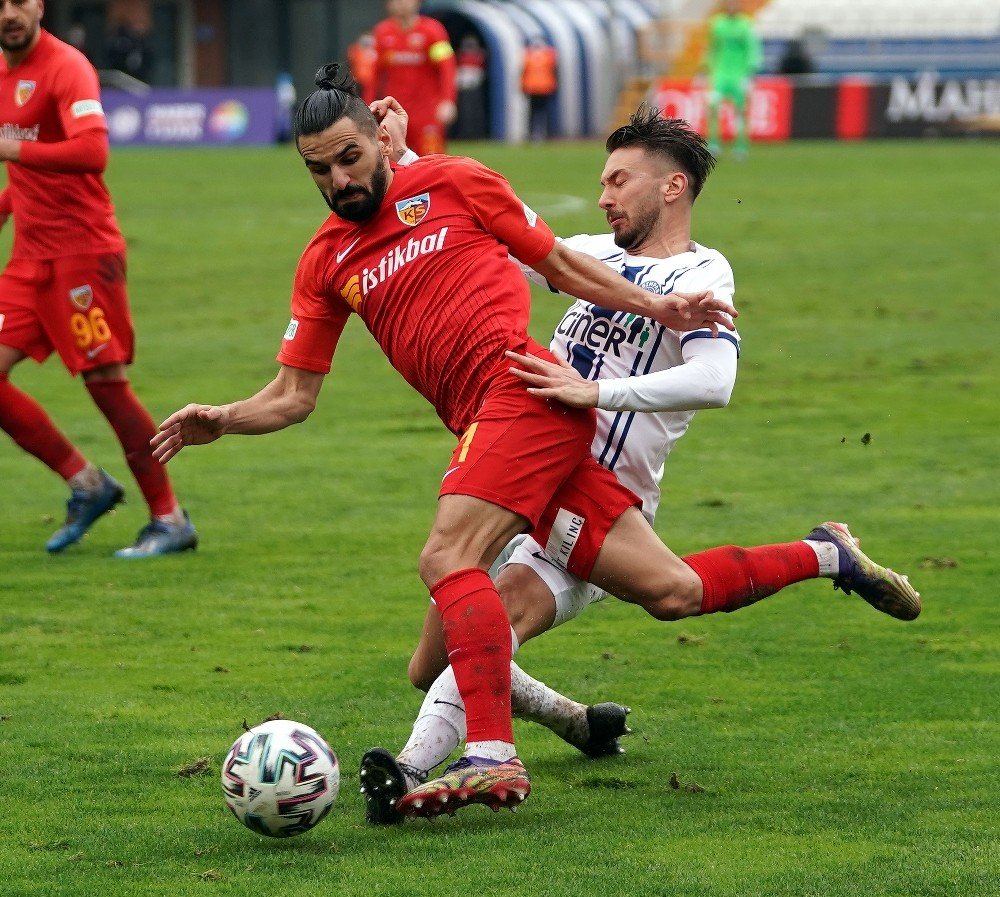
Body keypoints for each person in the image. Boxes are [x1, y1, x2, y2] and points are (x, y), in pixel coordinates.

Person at [150, 67, 914, 824]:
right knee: (615, 607)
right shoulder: (326, 259)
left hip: (521, 396)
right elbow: (293, 394)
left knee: (446, 558)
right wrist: (226, 415)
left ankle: (488, 754)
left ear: (376, 142)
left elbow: (558, 263)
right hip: (516, 430)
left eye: (350, 158)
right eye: (319, 169)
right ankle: (820, 558)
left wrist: (657, 310)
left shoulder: (463, 184)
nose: (337, 179)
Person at [357, 101, 921, 824]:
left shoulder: (703, 271)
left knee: (648, 597)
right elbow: (484, 229)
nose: (603, 194)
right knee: (428, 664)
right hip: (522, 468)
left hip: (603, 498)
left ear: (672, 187)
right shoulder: (589, 251)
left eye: (619, 179)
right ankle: (572, 719)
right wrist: (402, 159)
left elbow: (714, 382)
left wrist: (596, 390)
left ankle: (408, 769)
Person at [0, 0, 197, 558]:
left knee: (106, 386)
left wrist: (10, 147)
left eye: (19, 0)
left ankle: (170, 518)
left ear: (39, 6)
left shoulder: (67, 67)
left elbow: (91, 151)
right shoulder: (2, 75)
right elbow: (27, 175)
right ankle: (87, 484)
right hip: (29, 261)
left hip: (82, 256)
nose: (9, 13)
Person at [371, 0, 456, 155]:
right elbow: (374, 75)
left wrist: (448, 101)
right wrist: (367, 106)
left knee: (433, 163)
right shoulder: (382, 33)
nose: (401, 3)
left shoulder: (433, 30)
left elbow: (447, 68)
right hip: (394, 112)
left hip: (427, 113)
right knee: (394, 165)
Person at [701, 0, 761, 159]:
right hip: (719, 74)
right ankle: (713, 143)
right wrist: (706, 69)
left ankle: (741, 145)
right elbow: (712, 48)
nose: (732, 5)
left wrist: (750, 72)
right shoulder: (717, 24)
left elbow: (752, 49)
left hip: (739, 75)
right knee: (713, 108)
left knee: (740, 110)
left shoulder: (745, 24)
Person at [521, 35, 558, 142]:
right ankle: (542, 133)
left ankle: (534, 134)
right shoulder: (549, 55)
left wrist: (522, 86)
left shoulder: (528, 55)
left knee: (533, 112)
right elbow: (555, 70)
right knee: (542, 112)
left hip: (533, 88)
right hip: (544, 87)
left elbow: (523, 71)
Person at [347, 31, 378, 104]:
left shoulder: (377, 52)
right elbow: (351, 63)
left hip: (373, 83)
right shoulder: (355, 51)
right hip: (358, 81)